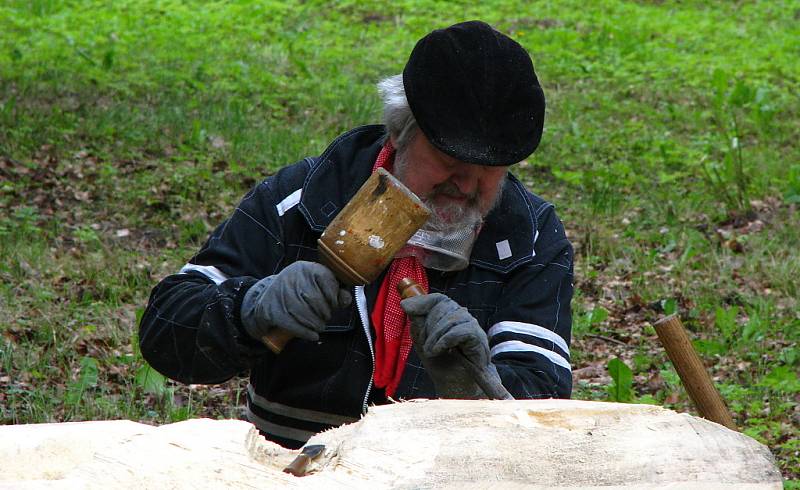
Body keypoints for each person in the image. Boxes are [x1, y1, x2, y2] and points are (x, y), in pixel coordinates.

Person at [139, 20, 574, 449]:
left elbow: (545, 411)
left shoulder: (531, 236)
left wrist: (478, 389)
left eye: (489, 171)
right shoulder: (303, 199)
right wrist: (247, 310)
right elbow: (165, 332)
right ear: (400, 131)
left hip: (445, 470)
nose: (466, 185)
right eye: (449, 160)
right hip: (291, 468)